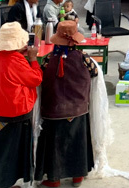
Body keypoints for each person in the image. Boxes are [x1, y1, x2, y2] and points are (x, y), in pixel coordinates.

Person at [0, 21, 43, 188]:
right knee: (9, 151)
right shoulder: (15, 60)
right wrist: (33, 59)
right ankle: (6, 183)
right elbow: (36, 79)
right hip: (13, 112)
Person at [35, 21, 97, 187]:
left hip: (53, 111)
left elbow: (39, 77)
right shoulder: (85, 59)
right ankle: (78, 177)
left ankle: (54, 179)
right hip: (78, 110)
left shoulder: (48, 60)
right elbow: (95, 73)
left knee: (55, 145)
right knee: (77, 142)